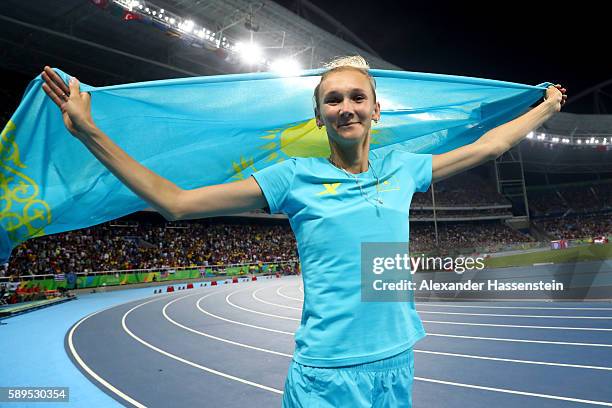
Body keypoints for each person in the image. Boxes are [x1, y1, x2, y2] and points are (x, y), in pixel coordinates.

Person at [41, 57, 566, 407]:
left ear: (376, 110)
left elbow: (488, 148)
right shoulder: (291, 176)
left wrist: (545, 106)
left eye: (357, 97)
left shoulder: (403, 166)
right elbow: (176, 203)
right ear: (318, 116)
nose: (346, 107)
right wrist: (90, 131)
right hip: (325, 373)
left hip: (397, 359)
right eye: (333, 99)